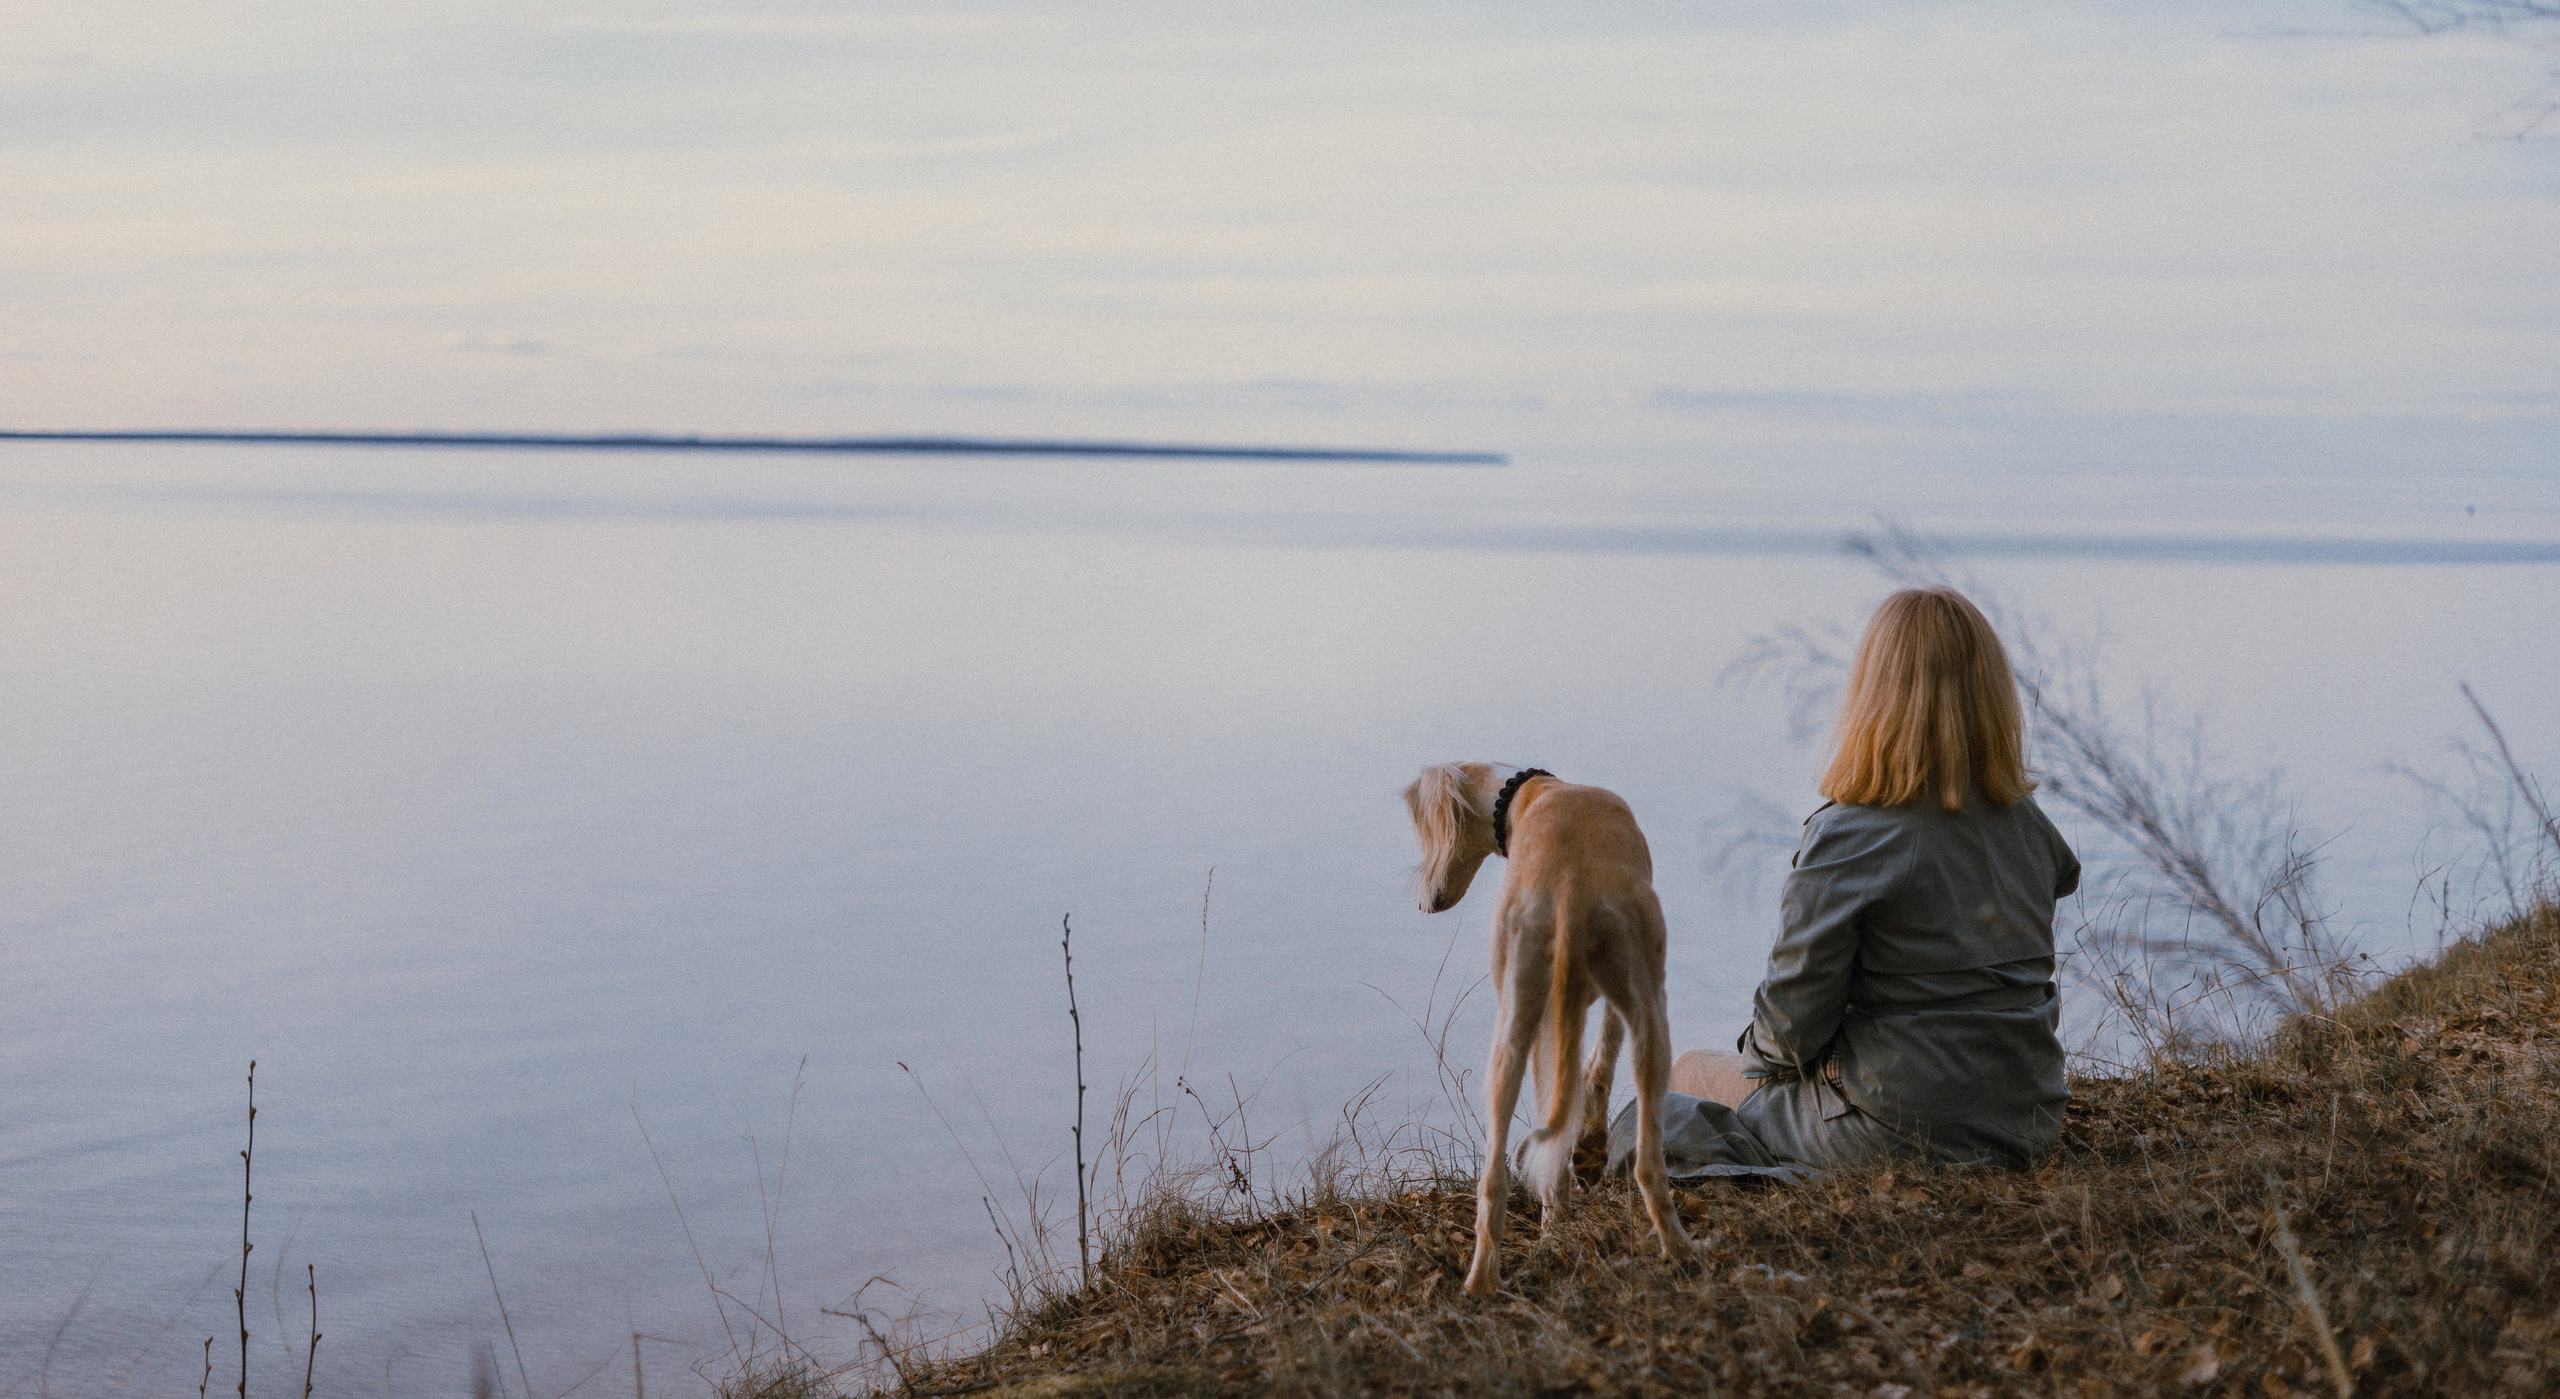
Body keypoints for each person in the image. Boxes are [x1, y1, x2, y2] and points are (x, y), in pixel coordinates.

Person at [1609, 586, 2080, 1180]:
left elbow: (1790, 1030)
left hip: (1898, 1125)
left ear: (1873, 695)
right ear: (1990, 696)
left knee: (1681, 1079)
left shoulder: (1852, 835)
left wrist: (1754, 1059)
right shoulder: (2029, 828)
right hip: (2025, 1122)